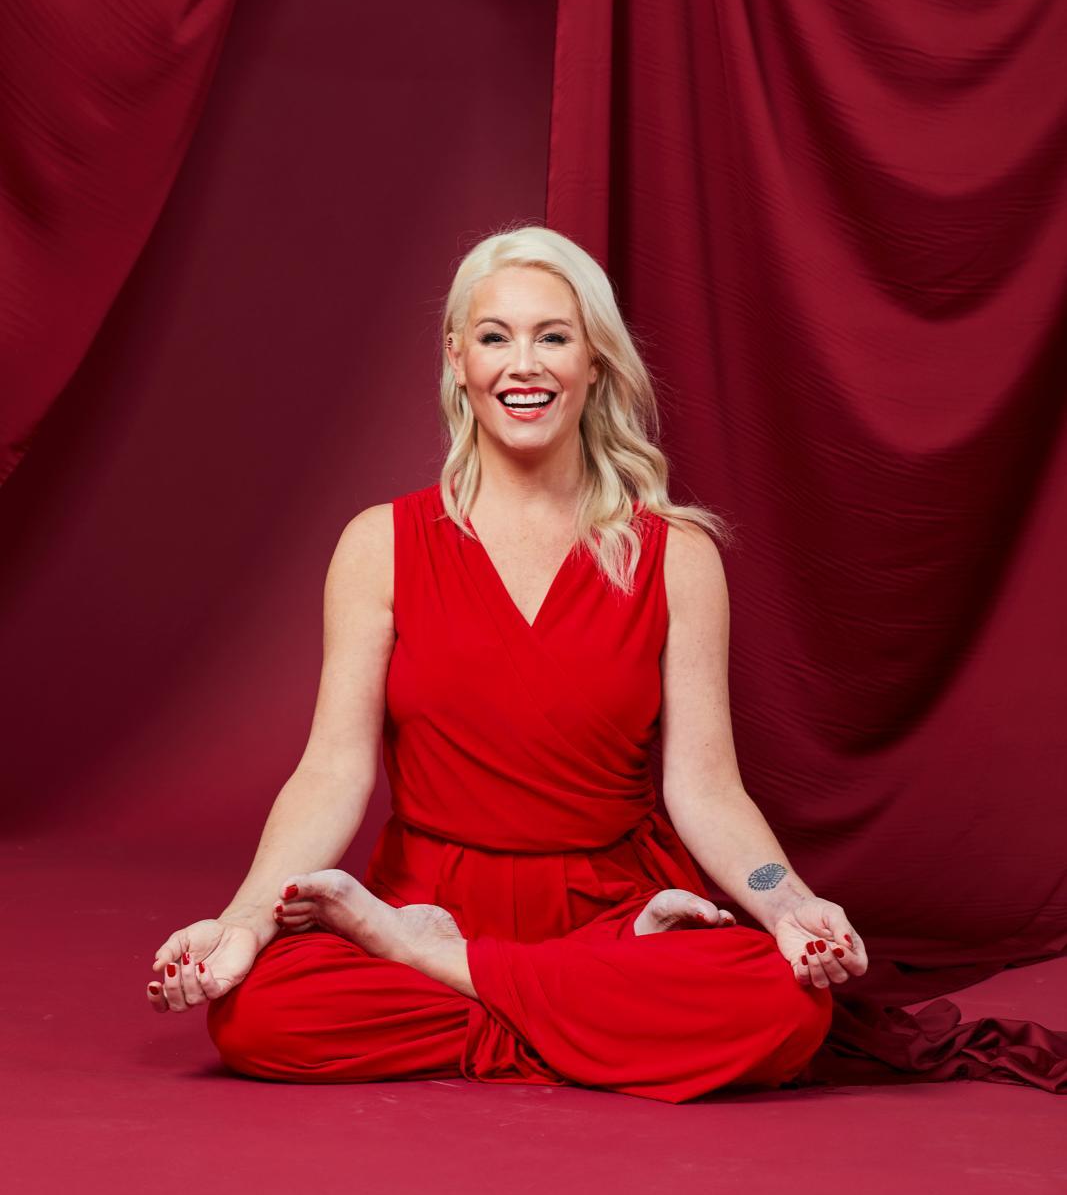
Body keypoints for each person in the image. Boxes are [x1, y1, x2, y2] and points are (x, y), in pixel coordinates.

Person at [145, 224, 867, 1102]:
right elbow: (331, 770)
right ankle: (579, 1011)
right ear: (457, 360)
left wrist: (788, 903)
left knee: (786, 1007)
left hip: (608, 904)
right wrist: (242, 921)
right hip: (434, 895)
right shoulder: (378, 544)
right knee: (259, 1014)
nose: (523, 365)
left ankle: (443, 968)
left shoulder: (677, 554)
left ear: (593, 362)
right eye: (495, 337)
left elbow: (706, 787)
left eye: (552, 337)